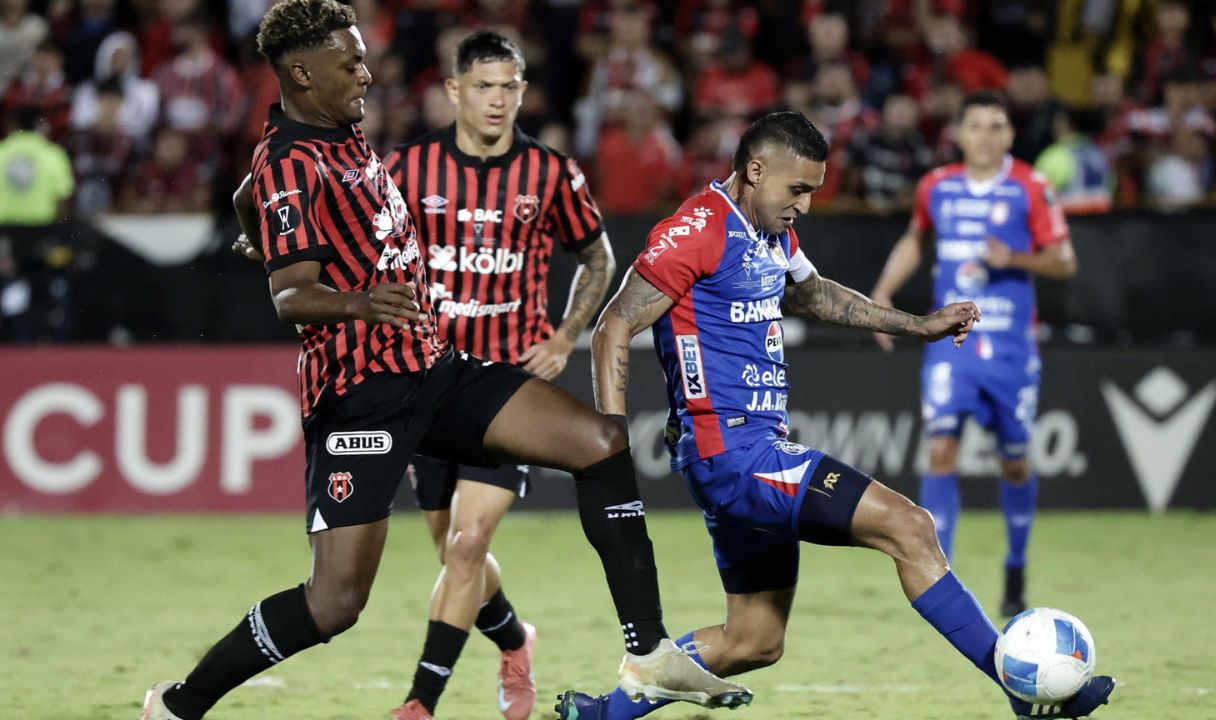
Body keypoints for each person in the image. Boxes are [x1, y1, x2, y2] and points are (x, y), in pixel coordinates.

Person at [140, 3, 749, 719]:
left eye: (363, 58)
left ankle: (647, 655)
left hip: (435, 366)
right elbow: (291, 297)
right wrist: (359, 301)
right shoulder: (290, 162)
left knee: (601, 442)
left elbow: (249, 200)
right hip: (359, 396)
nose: (367, 74)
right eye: (350, 63)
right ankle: (179, 704)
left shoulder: (339, 131)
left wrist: (259, 237)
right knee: (333, 604)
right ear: (302, 73)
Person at [556, 110, 1114, 720]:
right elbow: (615, 323)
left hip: (748, 455)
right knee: (911, 527)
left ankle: (598, 714)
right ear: (754, 169)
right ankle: (1016, 687)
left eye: (813, 191)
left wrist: (917, 326)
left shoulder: (771, 235)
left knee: (755, 641)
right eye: (797, 189)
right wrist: (610, 446)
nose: (806, 204)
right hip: (738, 457)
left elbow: (816, 294)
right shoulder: (697, 228)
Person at [379, 30, 617, 720]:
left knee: (468, 542)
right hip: (426, 381)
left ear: (523, 91)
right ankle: (516, 641)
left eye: (509, 87)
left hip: (506, 391)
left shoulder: (549, 174)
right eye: (482, 86)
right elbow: (356, 240)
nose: (497, 100)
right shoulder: (406, 169)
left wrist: (567, 335)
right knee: (453, 555)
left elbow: (598, 258)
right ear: (453, 91)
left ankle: (420, 704)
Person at [870, 92, 1079, 617]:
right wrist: (883, 292)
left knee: (1014, 461)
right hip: (952, 343)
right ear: (960, 134)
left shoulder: (1031, 186)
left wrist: (1016, 258)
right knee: (941, 448)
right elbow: (917, 238)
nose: (986, 136)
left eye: (997, 126)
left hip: (1010, 346)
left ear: (1009, 136)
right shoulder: (936, 187)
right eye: (977, 126)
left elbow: (1065, 262)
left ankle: (1015, 565)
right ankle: (938, 576)